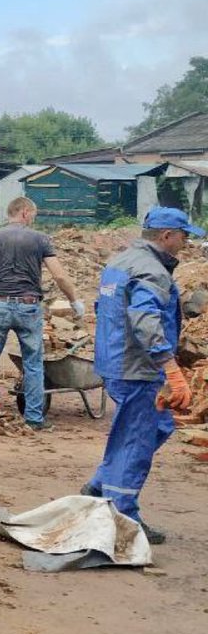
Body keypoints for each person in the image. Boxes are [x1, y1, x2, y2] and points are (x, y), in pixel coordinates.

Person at [81, 207, 199, 544]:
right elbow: (146, 321)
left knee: (158, 426)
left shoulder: (120, 262)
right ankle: (123, 520)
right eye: (183, 236)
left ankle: (100, 484)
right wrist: (171, 369)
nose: (186, 242)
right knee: (137, 441)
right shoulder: (152, 273)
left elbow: (101, 309)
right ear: (166, 236)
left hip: (115, 359)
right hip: (136, 368)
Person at [0, 197, 83, 431]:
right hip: (28, 307)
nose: (34, 218)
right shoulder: (40, 239)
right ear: (25, 212)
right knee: (33, 363)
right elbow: (59, 275)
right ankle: (34, 419)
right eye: (34, 213)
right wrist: (74, 300)